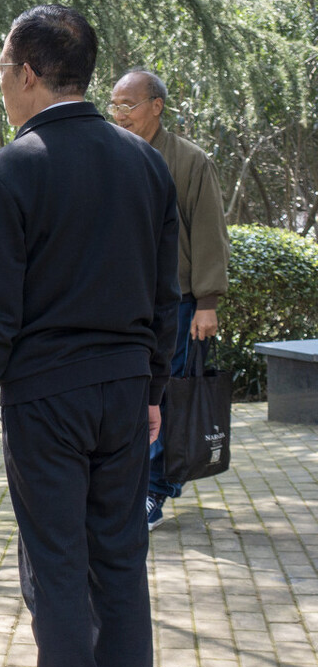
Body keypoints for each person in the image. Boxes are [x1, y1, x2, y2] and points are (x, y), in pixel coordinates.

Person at [0, 5, 179, 667]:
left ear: (27, 73)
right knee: (119, 552)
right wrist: (152, 390)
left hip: (48, 396)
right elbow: (164, 295)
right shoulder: (145, 162)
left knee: (54, 561)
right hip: (124, 393)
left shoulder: (12, 168)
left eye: (1, 69)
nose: (1, 84)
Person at [109, 69, 230, 530]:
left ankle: (155, 490)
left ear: (156, 106)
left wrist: (207, 302)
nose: (119, 115)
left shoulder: (189, 161)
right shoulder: (111, 154)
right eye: (114, 106)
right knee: (128, 392)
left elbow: (209, 233)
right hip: (122, 301)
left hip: (176, 303)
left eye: (128, 106)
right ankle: (128, 482)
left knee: (163, 393)